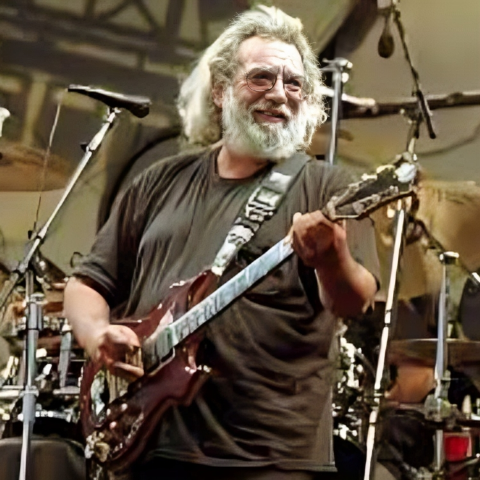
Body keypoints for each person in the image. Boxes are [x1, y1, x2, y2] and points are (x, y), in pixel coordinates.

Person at [64, 6, 379, 480]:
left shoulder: (328, 189)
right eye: (261, 78)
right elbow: (88, 283)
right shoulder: (160, 180)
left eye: (294, 84)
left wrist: (331, 256)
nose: (279, 94)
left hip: (266, 457)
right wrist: (97, 336)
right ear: (220, 90)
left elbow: (354, 302)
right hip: (146, 444)